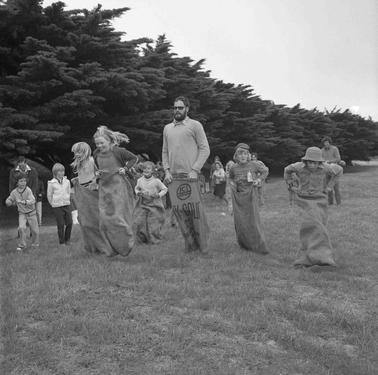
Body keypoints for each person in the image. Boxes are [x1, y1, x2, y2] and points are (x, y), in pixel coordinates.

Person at [162, 96, 210, 252]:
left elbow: (205, 149)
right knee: (181, 214)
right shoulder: (167, 128)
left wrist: (195, 170)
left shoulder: (195, 125)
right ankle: (190, 246)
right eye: (175, 107)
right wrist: (167, 171)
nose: (177, 110)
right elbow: (165, 151)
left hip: (191, 176)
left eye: (180, 108)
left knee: (196, 214)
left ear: (187, 109)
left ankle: (202, 246)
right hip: (174, 178)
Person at [284, 147, 343, 270]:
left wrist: (329, 187)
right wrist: (290, 184)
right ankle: (309, 258)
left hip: (320, 199)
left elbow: (339, 170)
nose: (312, 164)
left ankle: (321, 258)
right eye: (310, 162)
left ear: (320, 162)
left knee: (319, 227)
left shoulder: (326, 167)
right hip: (304, 200)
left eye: (315, 162)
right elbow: (287, 170)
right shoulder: (298, 167)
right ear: (305, 161)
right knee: (310, 226)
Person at [93, 125, 138, 256]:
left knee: (118, 217)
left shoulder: (118, 151)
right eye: (97, 144)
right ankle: (111, 249)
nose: (99, 146)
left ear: (110, 141)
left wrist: (125, 168)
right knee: (104, 219)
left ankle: (126, 244)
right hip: (104, 188)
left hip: (118, 187)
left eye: (102, 143)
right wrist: (97, 174)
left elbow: (134, 158)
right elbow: (97, 168)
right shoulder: (96, 154)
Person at [229, 143, 269, 254]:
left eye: (245, 154)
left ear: (248, 155)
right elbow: (231, 178)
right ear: (236, 156)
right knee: (241, 221)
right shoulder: (233, 168)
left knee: (252, 220)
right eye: (240, 154)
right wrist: (233, 186)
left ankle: (256, 243)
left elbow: (265, 171)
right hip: (239, 198)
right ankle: (244, 243)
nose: (243, 156)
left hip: (252, 195)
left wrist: (259, 180)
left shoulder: (254, 165)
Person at [134, 161, 168, 244]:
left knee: (153, 223)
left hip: (154, 205)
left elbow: (165, 189)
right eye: (144, 168)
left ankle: (154, 240)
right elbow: (136, 188)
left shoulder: (156, 181)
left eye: (148, 168)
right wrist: (138, 192)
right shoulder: (140, 180)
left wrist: (159, 195)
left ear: (152, 170)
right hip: (143, 204)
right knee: (139, 222)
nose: (146, 170)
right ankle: (142, 239)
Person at [6, 174, 39, 251]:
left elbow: (33, 200)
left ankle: (35, 244)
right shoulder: (14, 192)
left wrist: (24, 202)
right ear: (17, 182)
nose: (23, 183)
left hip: (32, 213)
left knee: (35, 230)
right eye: (21, 181)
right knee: (21, 228)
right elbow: (10, 199)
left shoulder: (28, 190)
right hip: (22, 214)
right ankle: (22, 245)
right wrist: (8, 201)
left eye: (24, 181)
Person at [47, 163, 73, 246]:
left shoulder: (67, 181)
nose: (62, 173)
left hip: (66, 204)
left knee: (69, 223)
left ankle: (67, 240)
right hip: (57, 206)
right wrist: (53, 204)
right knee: (61, 224)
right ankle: (62, 242)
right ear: (55, 172)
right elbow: (49, 195)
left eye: (63, 171)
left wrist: (67, 199)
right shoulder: (51, 183)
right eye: (60, 171)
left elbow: (69, 192)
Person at [321, 136, 342, 205]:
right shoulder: (322, 150)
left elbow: (338, 159)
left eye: (327, 142)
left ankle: (338, 203)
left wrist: (329, 161)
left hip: (334, 170)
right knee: (328, 188)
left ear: (330, 143)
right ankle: (330, 203)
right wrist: (324, 162)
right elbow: (320, 160)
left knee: (336, 188)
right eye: (325, 143)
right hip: (326, 170)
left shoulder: (334, 149)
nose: (326, 144)